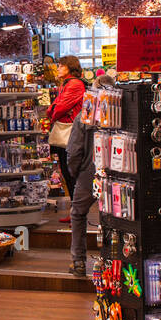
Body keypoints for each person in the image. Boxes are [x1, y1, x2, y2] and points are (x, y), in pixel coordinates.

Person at [66, 74, 114, 276]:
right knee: (113, 218)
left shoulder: (85, 115)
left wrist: (76, 172)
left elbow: (74, 150)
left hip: (88, 173)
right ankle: (112, 261)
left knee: (78, 214)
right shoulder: (120, 113)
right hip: (115, 175)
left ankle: (78, 261)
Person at [45, 55, 86, 201]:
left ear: (70, 67)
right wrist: (53, 109)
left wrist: (52, 111)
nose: (58, 68)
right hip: (67, 131)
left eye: (61, 66)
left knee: (71, 171)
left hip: (71, 131)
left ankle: (77, 213)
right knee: (67, 171)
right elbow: (56, 105)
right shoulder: (66, 84)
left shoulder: (74, 84)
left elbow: (59, 107)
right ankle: (74, 211)